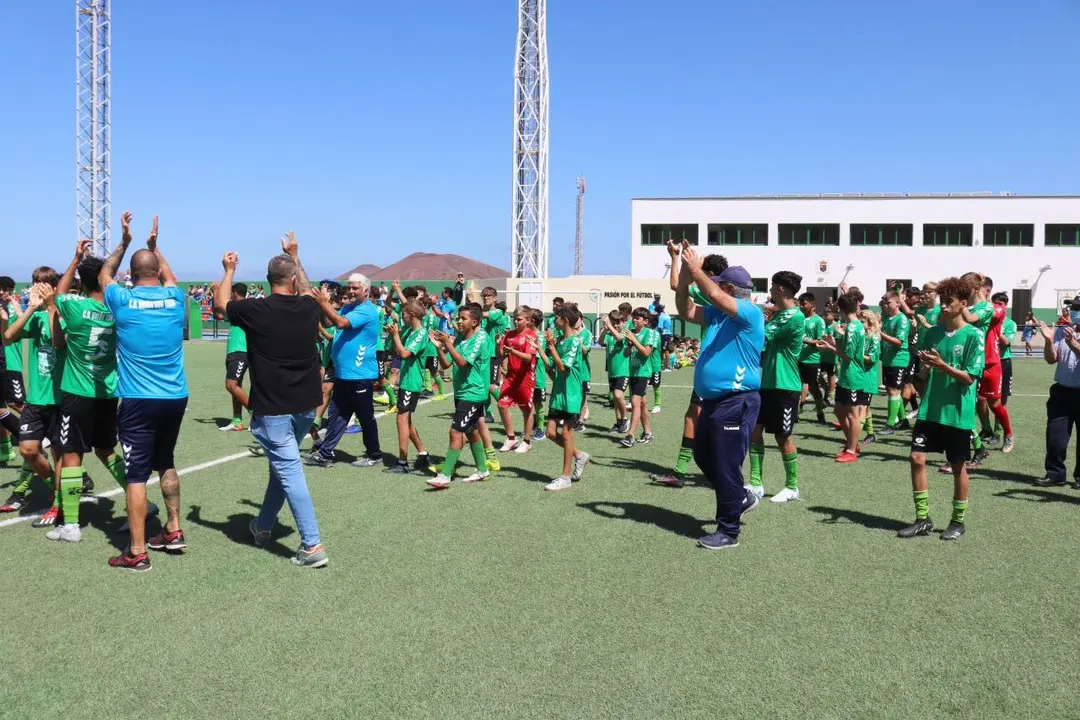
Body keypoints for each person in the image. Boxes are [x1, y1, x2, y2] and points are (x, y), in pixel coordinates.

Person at [214, 234, 328, 568]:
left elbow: (221, 305)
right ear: (292, 279)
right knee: (280, 471)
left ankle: (312, 545)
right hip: (305, 406)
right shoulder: (308, 305)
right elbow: (309, 290)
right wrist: (296, 254)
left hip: (274, 408)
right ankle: (263, 526)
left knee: (289, 471)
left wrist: (228, 271)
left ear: (268, 281)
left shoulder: (255, 309)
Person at [101, 212, 189, 571]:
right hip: (175, 396)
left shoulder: (121, 299)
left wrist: (124, 241)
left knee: (136, 475)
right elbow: (170, 276)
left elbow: (105, 273)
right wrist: (155, 247)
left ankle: (136, 551)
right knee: (165, 461)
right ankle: (173, 529)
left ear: (132, 276)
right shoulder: (175, 298)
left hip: (139, 399)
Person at [675, 246, 764, 550]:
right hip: (715, 401)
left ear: (728, 289)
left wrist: (696, 269)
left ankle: (729, 531)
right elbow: (686, 311)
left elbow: (712, 295)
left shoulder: (750, 312)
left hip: (736, 401)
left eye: (720, 283)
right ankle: (739, 497)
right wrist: (687, 280)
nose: (714, 285)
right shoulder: (719, 315)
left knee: (726, 465)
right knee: (703, 455)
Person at [49, 238, 133, 544]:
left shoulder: (75, 305)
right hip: (109, 392)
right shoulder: (118, 310)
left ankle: (70, 524)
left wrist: (73, 259)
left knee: (71, 455)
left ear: (82, 283)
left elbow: (58, 292)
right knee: (106, 449)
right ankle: (139, 501)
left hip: (78, 393)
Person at [899, 276, 983, 541]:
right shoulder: (933, 333)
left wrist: (942, 365)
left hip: (957, 411)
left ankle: (958, 522)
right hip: (930, 409)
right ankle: (923, 518)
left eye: (949, 302)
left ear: (963, 304)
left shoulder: (973, 335)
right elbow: (923, 376)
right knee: (916, 458)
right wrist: (923, 369)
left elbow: (970, 377)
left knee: (959, 467)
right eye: (942, 301)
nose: (943, 307)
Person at [305, 273, 383, 468]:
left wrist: (324, 303)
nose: (350, 291)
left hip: (360, 374)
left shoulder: (367, 310)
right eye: (349, 288)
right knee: (337, 414)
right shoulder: (349, 307)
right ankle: (325, 453)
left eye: (355, 288)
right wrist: (322, 304)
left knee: (365, 417)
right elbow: (331, 322)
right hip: (345, 374)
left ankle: (374, 454)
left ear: (366, 291)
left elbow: (341, 323)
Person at [0, 272, 62, 515]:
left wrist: (49, 306)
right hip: (38, 398)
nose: (39, 288)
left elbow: (60, 341)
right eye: (36, 283)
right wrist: (29, 309)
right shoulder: (33, 316)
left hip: (61, 396)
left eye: (44, 284)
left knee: (96, 450)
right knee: (28, 449)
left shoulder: (63, 314)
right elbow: (8, 336)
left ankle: (56, 501)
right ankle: (40, 483)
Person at [748, 271, 805, 503]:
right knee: (755, 430)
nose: (770, 291)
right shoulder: (781, 314)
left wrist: (754, 315)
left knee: (782, 437)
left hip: (785, 385)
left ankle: (792, 487)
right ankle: (756, 483)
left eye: (772, 287)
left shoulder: (794, 316)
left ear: (780, 289)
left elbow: (762, 335)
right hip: (768, 383)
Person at [427, 305, 493, 489]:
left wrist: (448, 343)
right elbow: (448, 363)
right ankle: (482, 470)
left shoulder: (481, 338)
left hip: (473, 392)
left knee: (455, 431)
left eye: (463, 318)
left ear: (474, 321)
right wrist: (440, 347)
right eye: (458, 318)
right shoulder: (463, 340)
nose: (459, 322)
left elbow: (463, 363)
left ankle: (445, 475)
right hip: (462, 391)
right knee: (471, 431)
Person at [537, 304, 590, 491]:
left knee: (567, 435)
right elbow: (553, 370)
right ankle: (579, 455)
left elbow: (563, 368)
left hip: (571, 395)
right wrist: (540, 349)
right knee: (550, 433)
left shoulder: (575, 341)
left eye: (556, 317)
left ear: (565, 319)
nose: (553, 321)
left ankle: (565, 477)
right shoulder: (559, 341)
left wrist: (550, 346)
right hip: (558, 393)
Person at [1035, 297, 1080, 488]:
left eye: (1077, 307)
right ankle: (1055, 474)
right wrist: (1049, 341)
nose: (1073, 310)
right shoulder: (1063, 331)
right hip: (1061, 391)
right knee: (1055, 435)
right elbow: (1051, 359)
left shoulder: (1069, 335)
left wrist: (1074, 344)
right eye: (1072, 307)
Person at [383, 300, 432, 473]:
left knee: (401, 418)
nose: (401, 316)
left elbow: (404, 354)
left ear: (411, 315)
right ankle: (423, 453)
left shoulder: (420, 333)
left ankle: (402, 462)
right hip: (406, 381)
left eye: (403, 313)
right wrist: (394, 335)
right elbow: (396, 351)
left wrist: (396, 335)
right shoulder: (410, 332)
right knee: (406, 421)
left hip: (412, 382)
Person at [822, 292, 870, 463]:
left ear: (841, 310)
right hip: (847, 376)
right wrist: (839, 337)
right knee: (839, 410)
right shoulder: (853, 326)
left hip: (853, 376)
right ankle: (852, 443)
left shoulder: (852, 327)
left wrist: (832, 345)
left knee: (852, 415)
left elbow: (848, 355)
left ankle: (851, 449)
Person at [497, 307, 538, 453]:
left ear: (528, 320)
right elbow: (500, 354)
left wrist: (513, 351)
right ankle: (511, 438)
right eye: (514, 318)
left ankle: (526, 441)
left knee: (526, 409)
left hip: (525, 377)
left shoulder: (530, 335)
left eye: (519, 319)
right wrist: (498, 344)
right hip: (511, 376)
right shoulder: (509, 334)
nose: (515, 321)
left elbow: (528, 358)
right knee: (502, 405)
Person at [622, 307, 657, 447]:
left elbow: (646, 352)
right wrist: (630, 343)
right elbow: (625, 354)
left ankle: (630, 435)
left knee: (635, 403)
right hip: (632, 373)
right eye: (634, 318)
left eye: (638, 318)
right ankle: (647, 432)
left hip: (643, 373)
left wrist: (633, 339)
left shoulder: (649, 333)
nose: (634, 320)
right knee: (642, 404)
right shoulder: (631, 333)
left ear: (646, 321)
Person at [879, 291, 912, 433]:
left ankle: (890, 424)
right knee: (891, 389)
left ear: (898, 303)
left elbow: (899, 342)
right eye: (884, 303)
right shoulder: (887, 318)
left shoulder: (902, 319)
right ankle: (903, 421)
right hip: (888, 360)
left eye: (889, 303)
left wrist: (880, 334)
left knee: (894, 391)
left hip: (899, 360)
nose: (886, 306)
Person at [0, 275, 25, 465]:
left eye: (5, 289)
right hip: (3, 362)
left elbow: (10, 332)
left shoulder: (11, 308)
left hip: (10, 362)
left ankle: (42, 433)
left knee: (17, 404)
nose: (2, 292)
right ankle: (6, 449)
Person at [221, 282, 250, 432]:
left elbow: (220, 309)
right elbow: (218, 314)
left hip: (241, 351)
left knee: (231, 385)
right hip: (233, 351)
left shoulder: (242, 308)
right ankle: (237, 421)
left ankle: (256, 414)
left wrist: (215, 291)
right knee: (236, 386)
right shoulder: (235, 310)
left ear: (234, 293)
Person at [797, 292, 827, 424]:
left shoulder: (818, 321)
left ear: (812, 304)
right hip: (797, 359)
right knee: (796, 387)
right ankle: (795, 412)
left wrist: (806, 341)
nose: (802, 306)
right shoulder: (799, 318)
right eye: (800, 304)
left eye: (804, 304)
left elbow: (821, 342)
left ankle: (820, 413)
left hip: (812, 360)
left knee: (813, 388)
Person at [600, 310, 630, 434]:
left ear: (623, 322)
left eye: (618, 322)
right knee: (615, 400)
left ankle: (625, 419)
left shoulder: (625, 332)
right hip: (612, 372)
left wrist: (609, 325)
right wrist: (605, 330)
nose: (616, 325)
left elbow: (619, 337)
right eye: (614, 323)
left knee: (618, 395)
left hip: (623, 371)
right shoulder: (609, 334)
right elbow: (601, 342)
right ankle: (618, 422)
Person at [994, 292, 1016, 442]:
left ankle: (998, 432)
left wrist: (996, 330)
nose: (998, 307)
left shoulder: (1010, 323)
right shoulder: (988, 321)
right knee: (982, 399)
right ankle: (986, 429)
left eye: (1000, 304)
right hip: (988, 362)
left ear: (1006, 306)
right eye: (995, 304)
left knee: (1001, 400)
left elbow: (1006, 342)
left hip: (1003, 363)